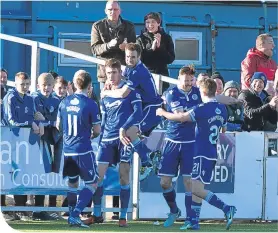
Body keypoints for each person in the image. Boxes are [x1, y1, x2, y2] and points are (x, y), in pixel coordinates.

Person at [157, 78, 236, 230]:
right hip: (212, 153)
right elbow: (224, 130)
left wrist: (162, 112)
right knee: (196, 186)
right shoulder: (223, 109)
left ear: (203, 91)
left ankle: (226, 208)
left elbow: (181, 118)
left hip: (201, 152)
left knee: (196, 189)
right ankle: (194, 221)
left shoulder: (201, 108)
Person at [84, 58, 142, 227]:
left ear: (120, 72)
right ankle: (97, 214)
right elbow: (104, 118)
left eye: (114, 72)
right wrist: (99, 137)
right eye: (108, 73)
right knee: (97, 177)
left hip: (124, 140)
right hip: (107, 139)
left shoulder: (131, 91)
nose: (111, 76)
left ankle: (123, 216)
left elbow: (138, 113)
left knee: (124, 178)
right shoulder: (104, 94)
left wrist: (124, 128)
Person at [101, 43, 163, 181]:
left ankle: (147, 161)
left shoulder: (137, 71)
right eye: (128, 57)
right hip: (147, 107)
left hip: (152, 109)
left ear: (139, 57)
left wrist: (106, 92)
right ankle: (148, 157)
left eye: (133, 57)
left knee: (129, 131)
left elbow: (123, 94)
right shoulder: (130, 68)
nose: (129, 60)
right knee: (130, 134)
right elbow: (122, 79)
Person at [155, 65, 202, 228]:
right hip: (171, 142)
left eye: (191, 80)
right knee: (164, 182)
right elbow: (157, 109)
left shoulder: (199, 94)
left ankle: (190, 218)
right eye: (185, 80)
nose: (188, 83)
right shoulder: (170, 94)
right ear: (179, 79)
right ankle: (174, 210)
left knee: (189, 182)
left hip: (191, 143)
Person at [56, 70, 101, 228]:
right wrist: (91, 135)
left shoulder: (64, 102)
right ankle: (75, 215)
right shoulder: (91, 104)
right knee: (93, 183)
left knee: (73, 184)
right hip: (83, 149)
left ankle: (71, 216)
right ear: (89, 86)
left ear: (74, 84)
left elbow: (58, 126)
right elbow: (97, 130)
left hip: (68, 150)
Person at [3, 72, 44, 220]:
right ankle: (18, 209)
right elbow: (11, 122)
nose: (25, 87)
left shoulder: (30, 99)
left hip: (27, 142)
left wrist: (40, 121)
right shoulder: (11, 98)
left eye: (27, 84)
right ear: (15, 84)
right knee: (14, 173)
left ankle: (27, 209)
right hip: (11, 142)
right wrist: (30, 123)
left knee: (26, 173)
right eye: (22, 84)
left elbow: (34, 116)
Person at [32, 73, 62, 220]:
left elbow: (56, 121)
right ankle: (37, 209)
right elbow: (34, 117)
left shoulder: (56, 101)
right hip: (36, 141)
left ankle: (50, 209)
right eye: (44, 85)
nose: (47, 88)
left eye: (49, 85)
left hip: (52, 140)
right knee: (39, 174)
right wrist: (45, 121)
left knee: (51, 174)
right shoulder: (34, 99)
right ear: (38, 86)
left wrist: (45, 121)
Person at [91, 0, 136, 89]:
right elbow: (94, 49)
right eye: (110, 9)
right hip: (105, 73)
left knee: (123, 101)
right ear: (105, 11)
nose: (113, 12)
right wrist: (108, 45)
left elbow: (135, 49)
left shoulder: (129, 26)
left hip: (124, 73)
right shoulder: (97, 26)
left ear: (120, 11)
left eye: (115, 9)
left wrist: (126, 47)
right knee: (106, 100)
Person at [136, 12, 175, 92]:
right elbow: (140, 59)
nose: (150, 25)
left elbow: (170, 59)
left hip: (162, 75)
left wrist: (160, 47)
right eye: (147, 22)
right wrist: (152, 49)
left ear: (158, 23)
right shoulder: (140, 39)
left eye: (153, 22)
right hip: (146, 75)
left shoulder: (167, 38)